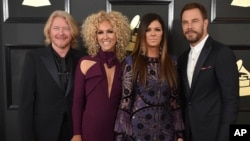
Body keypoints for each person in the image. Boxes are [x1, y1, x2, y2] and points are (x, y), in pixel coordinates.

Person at [114, 13, 184, 141]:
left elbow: (175, 102)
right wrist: (120, 137)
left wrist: (179, 135)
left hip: (166, 132)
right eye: (148, 30)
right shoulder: (131, 62)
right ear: (142, 34)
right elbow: (125, 102)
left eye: (157, 29)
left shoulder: (172, 63)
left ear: (163, 34)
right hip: (137, 133)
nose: (153, 34)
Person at [178, 2, 239, 141]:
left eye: (194, 21)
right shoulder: (182, 59)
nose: (189, 27)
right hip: (189, 134)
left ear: (205, 23)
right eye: (185, 22)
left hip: (214, 135)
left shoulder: (222, 53)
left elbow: (231, 101)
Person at [18, 10, 83, 141]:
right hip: (43, 132)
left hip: (75, 131)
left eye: (66, 28)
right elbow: (25, 103)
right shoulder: (34, 58)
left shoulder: (84, 59)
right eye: (56, 28)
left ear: (73, 32)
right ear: (49, 32)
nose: (61, 33)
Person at [71, 11, 131, 141]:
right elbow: (77, 102)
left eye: (110, 31)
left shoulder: (126, 65)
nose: (105, 37)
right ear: (94, 36)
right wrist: (76, 134)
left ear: (118, 35)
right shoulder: (85, 63)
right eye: (100, 32)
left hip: (117, 130)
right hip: (90, 129)